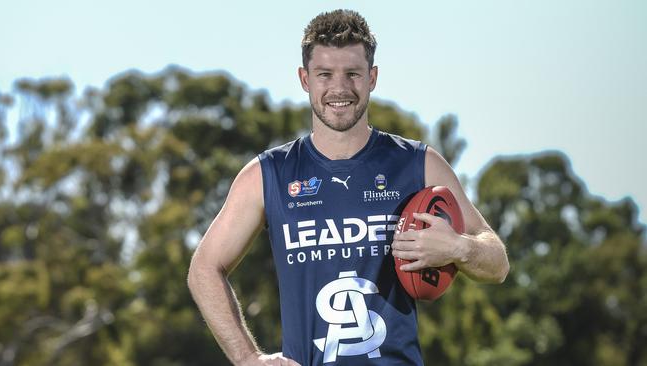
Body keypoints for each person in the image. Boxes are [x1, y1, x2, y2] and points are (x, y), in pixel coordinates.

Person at [187, 9, 509, 366]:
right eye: (325, 74)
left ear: (372, 77)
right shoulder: (267, 175)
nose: (339, 89)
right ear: (304, 79)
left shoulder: (419, 165)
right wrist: (247, 358)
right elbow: (204, 268)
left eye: (352, 74)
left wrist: (458, 247)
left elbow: (497, 262)